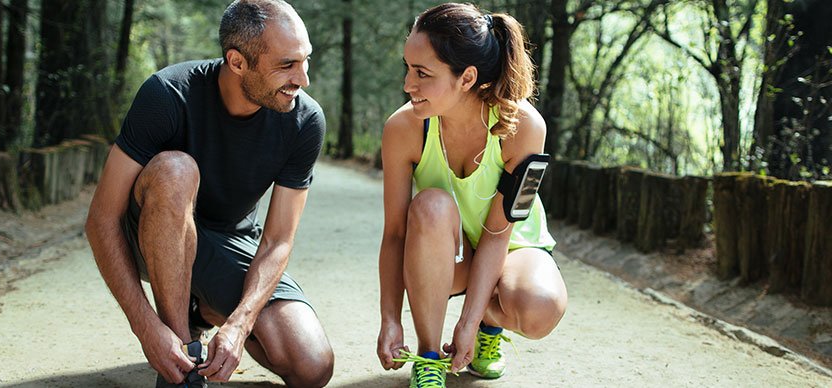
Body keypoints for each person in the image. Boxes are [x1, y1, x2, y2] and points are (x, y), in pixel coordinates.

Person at [84, 1, 334, 387]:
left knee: (311, 365)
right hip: (149, 234)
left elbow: (278, 240)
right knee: (176, 170)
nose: (302, 78)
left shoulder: (304, 120)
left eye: (306, 60)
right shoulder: (167, 94)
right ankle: (181, 360)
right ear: (237, 62)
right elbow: (102, 219)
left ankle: (203, 310)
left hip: (227, 241)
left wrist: (239, 324)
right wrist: (147, 329)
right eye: (286, 65)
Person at [376, 3, 568, 387]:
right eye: (407, 68)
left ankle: (488, 325)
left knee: (539, 309)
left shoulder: (525, 126)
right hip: (448, 251)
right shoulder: (403, 128)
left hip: (512, 246)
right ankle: (429, 356)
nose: (407, 85)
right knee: (430, 205)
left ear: (466, 77)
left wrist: (469, 319)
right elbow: (396, 232)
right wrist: (390, 319)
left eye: (422, 73)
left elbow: (499, 233)